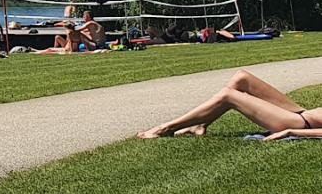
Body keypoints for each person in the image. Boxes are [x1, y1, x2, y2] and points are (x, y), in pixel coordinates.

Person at [138, 70, 322, 140]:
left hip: (298, 123)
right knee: (241, 78)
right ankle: (200, 125)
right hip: (302, 113)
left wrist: (291, 132)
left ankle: (166, 128)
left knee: (228, 96)